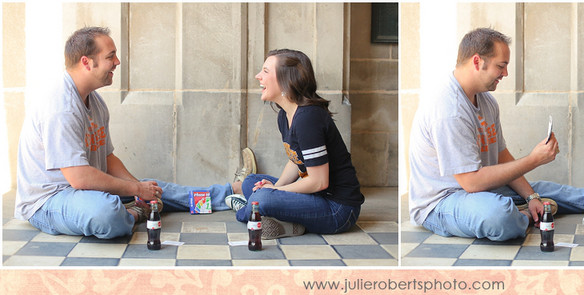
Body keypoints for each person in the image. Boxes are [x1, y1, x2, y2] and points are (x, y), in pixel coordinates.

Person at [408, 27, 584, 241]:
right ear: (477, 61)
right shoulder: (448, 110)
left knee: (552, 191)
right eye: (501, 66)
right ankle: (521, 214)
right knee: (498, 216)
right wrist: (533, 160)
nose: (505, 74)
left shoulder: (487, 102)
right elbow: (471, 182)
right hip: (442, 202)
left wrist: (532, 195)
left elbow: (502, 157)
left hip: (483, 191)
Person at [15, 27, 250, 239]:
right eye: (110, 56)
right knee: (106, 213)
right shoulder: (61, 107)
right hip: (50, 201)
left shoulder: (95, 103)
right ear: (87, 62)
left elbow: (107, 159)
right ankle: (135, 213)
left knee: (156, 189)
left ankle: (230, 193)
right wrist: (136, 191)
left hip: (86, 191)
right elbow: (79, 178)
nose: (117, 62)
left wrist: (141, 188)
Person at [225, 49, 364, 239]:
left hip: (338, 209)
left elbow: (319, 181)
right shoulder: (285, 114)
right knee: (251, 182)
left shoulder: (308, 118)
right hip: (316, 197)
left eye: (265, 71)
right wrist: (277, 185)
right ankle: (286, 222)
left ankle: (247, 211)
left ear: (285, 80)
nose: (258, 76)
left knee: (261, 198)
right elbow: (295, 160)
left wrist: (275, 191)